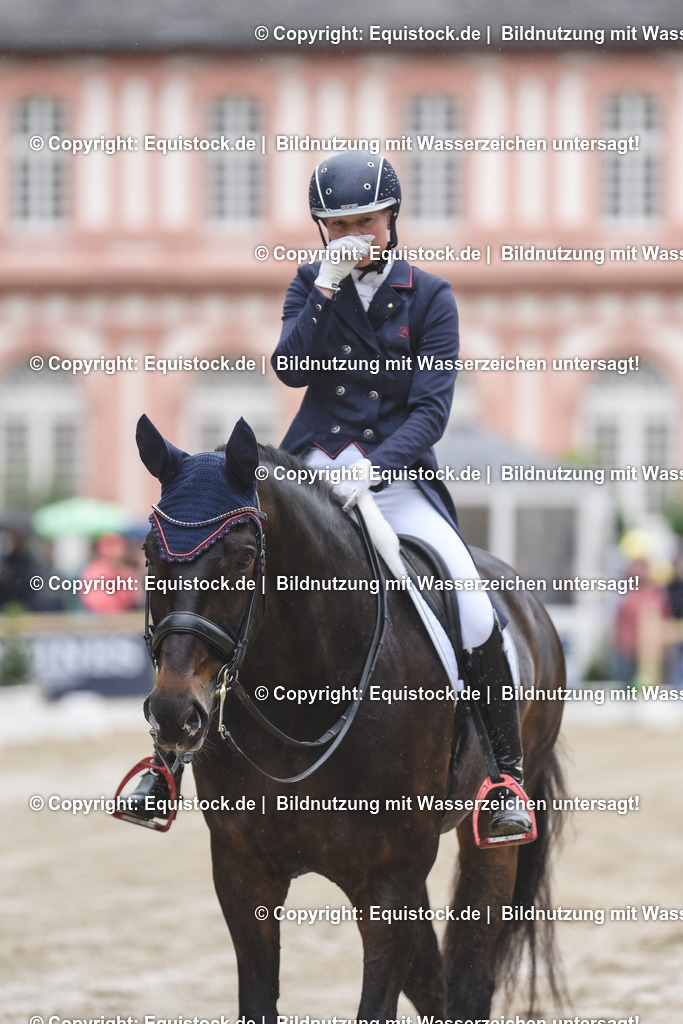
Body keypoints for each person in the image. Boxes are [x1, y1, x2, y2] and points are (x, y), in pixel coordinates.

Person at [270, 150, 532, 840]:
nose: (352, 235)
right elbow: (291, 368)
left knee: (470, 603)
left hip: (394, 478)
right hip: (313, 471)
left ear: (392, 218)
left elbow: (430, 411)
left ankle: (505, 777)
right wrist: (324, 290)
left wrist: (376, 468)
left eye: (366, 221)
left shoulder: (430, 297)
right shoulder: (309, 284)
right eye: (338, 225)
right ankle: (171, 759)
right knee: (237, 574)